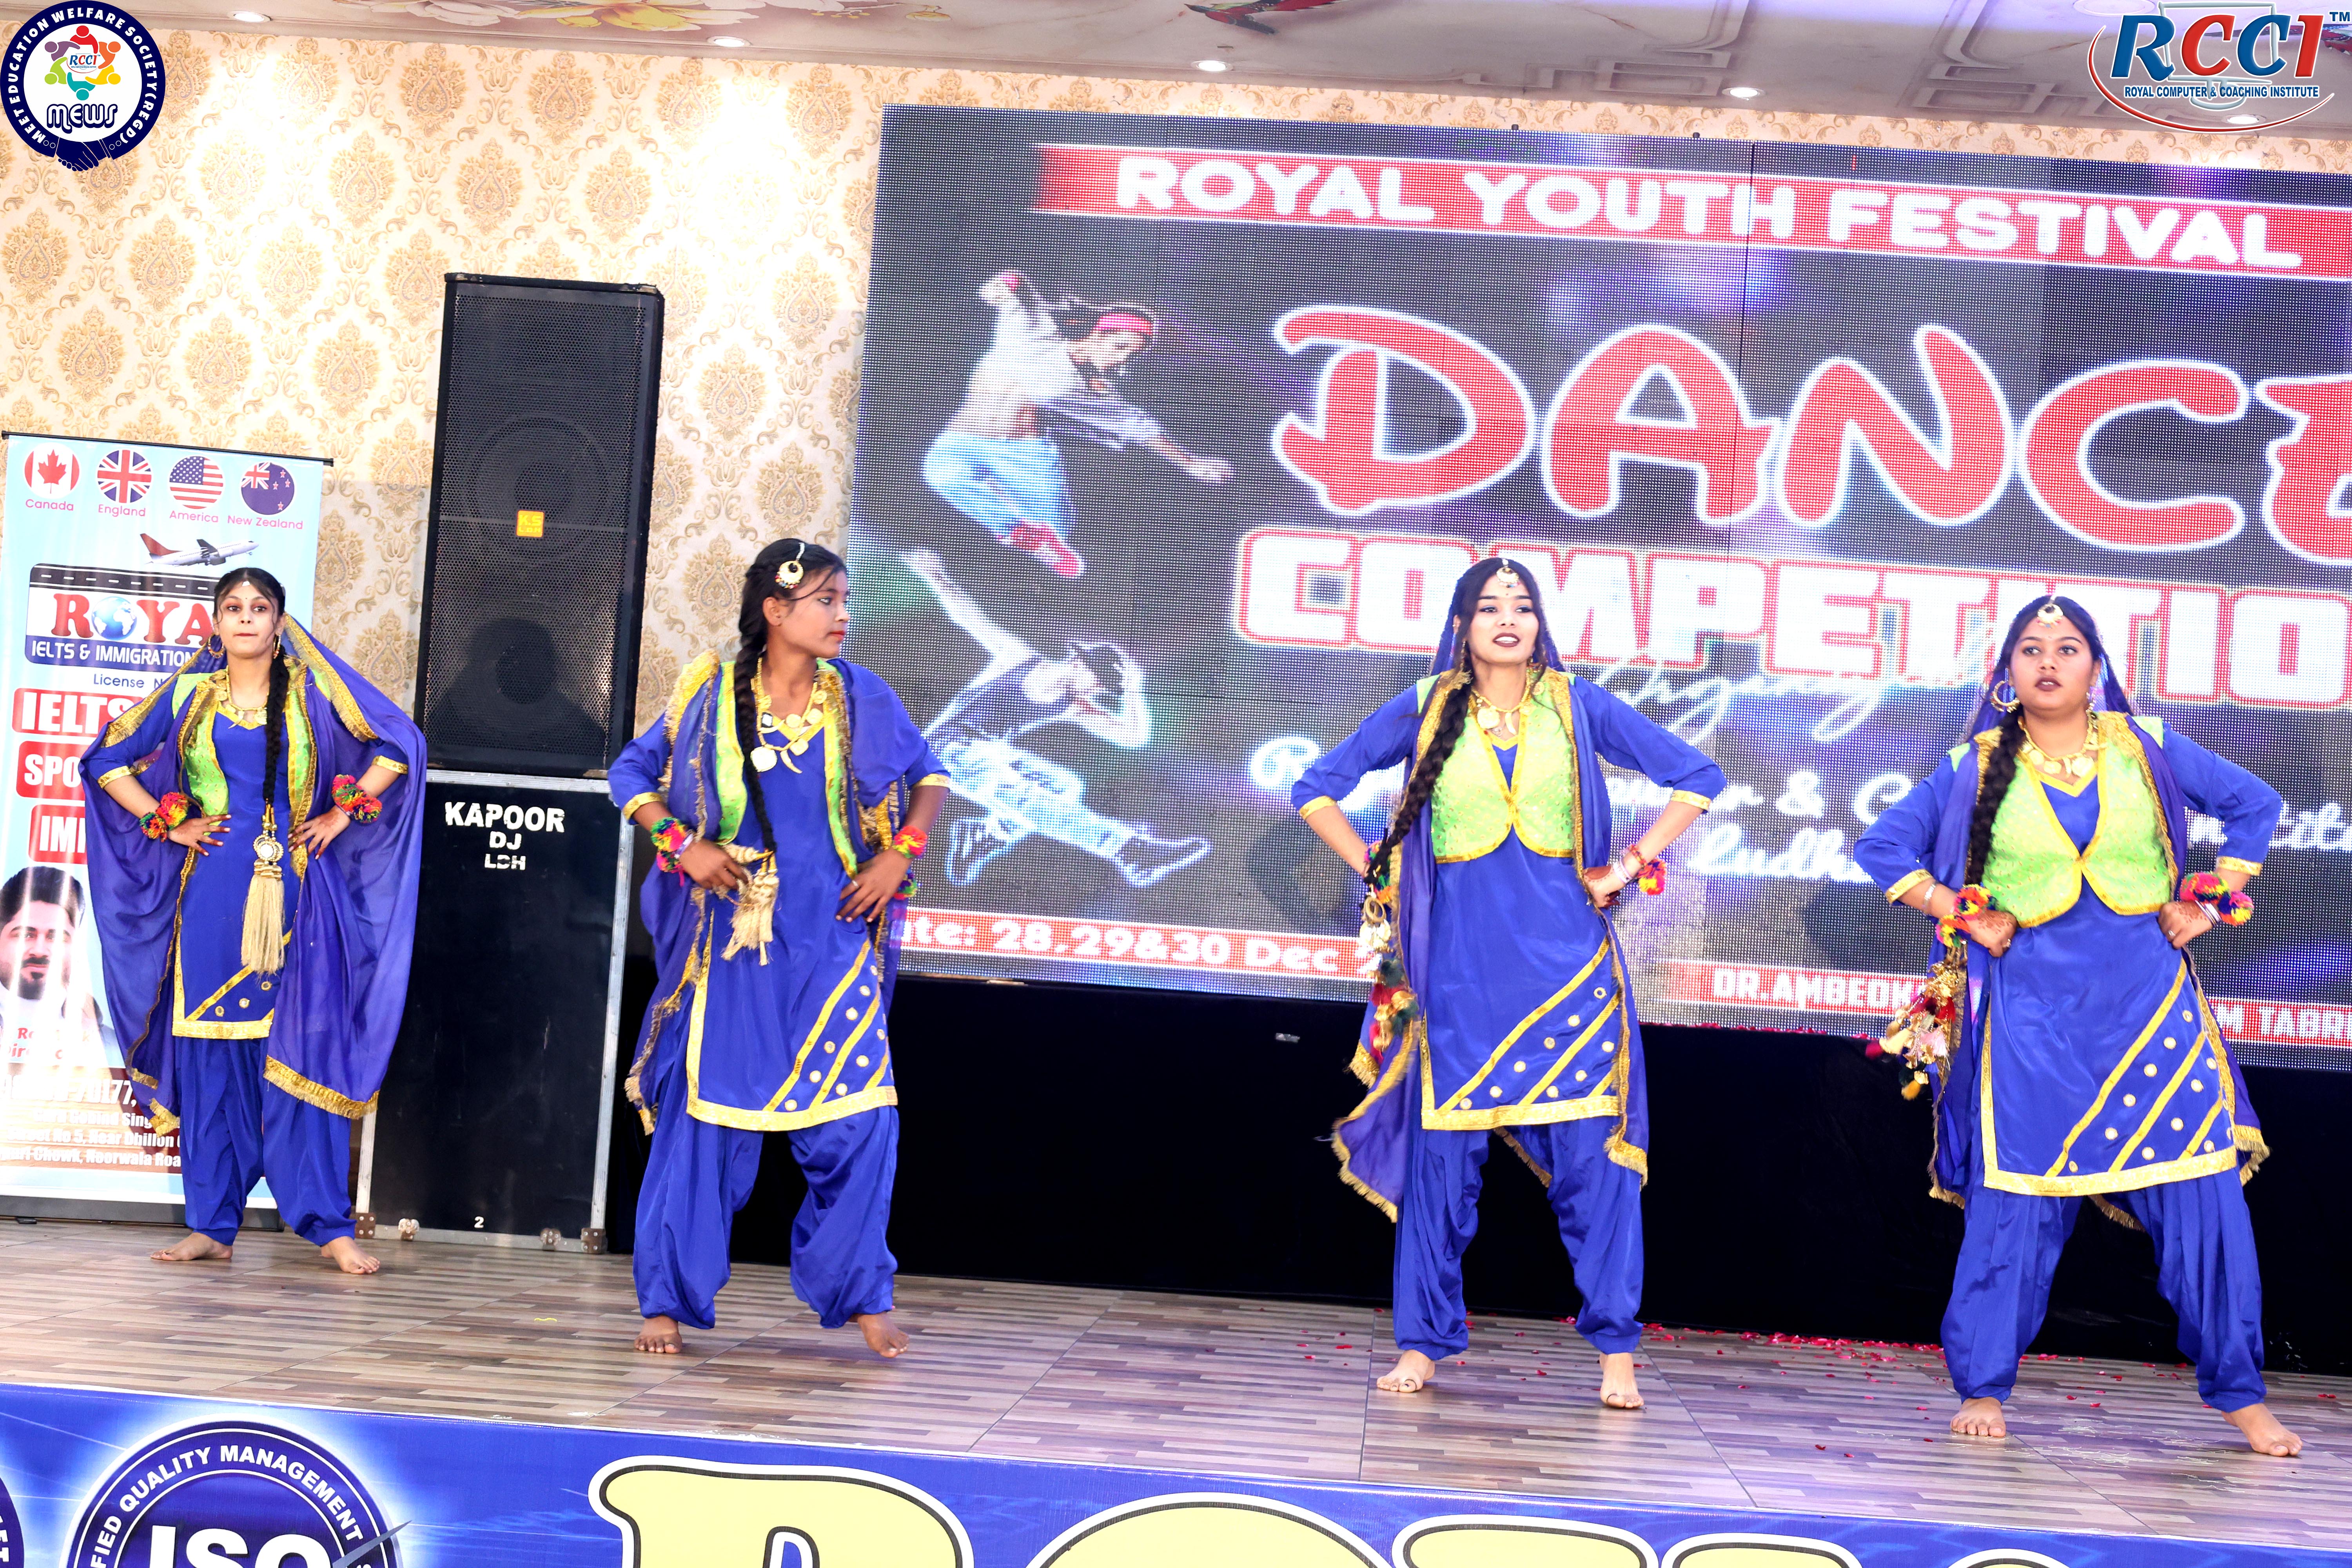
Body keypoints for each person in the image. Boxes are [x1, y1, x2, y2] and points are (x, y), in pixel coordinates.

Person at [1854, 595, 2297, 1457]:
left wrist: (2211, 899)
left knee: (2202, 1194)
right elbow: (1882, 847)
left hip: (2152, 1010)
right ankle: (1983, 1383)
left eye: (2067, 647)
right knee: (2018, 1201)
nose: (2048, 661)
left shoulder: (2147, 745)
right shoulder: (1973, 766)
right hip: (2033, 1019)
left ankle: (2241, 1394)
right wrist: (1957, 909)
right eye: (2031, 648)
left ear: (2097, 667)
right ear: (2006, 673)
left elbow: (2256, 804)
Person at [1292, 558, 1723, 1407]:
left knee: (1597, 1166)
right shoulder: (1425, 707)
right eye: (1489, 605)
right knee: (1441, 1167)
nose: (1507, 618)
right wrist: (1377, 868)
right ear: (1462, 624)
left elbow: (1697, 777)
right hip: (1459, 977)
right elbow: (1316, 788)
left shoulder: (1576, 704)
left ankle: (1617, 1351)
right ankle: (1421, 1344)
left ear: (1539, 624)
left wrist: (1627, 865)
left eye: (1522, 606)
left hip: (1573, 974)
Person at [612, 539, 948, 1357]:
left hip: (832, 946)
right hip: (732, 951)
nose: (843, 615)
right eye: (826, 601)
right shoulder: (707, 694)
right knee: (703, 1126)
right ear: (775, 610)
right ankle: (668, 1299)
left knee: (862, 1123)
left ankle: (862, 1292)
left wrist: (899, 854)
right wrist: (682, 844)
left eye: (844, 600)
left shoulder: (860, 696)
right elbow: (631, 775)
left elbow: (931, 776)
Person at [81, 568, 424, 1274]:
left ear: (278, 622)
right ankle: (212, 1224)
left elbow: (400, 744)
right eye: (232, 608)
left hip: (298, 894)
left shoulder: (312, 692)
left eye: (258, 607)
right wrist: (165, 823)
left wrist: (342, 814)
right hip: (211, 896)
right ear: (215, 623)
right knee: (211, 1058)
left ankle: (328, 1225)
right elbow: (107, 759)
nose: (245, 618)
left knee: (300, 1054)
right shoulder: (189, 694)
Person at [900, 548, 1210, 888]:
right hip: (947, 749)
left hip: (990, 751)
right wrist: (935, 574)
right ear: (1079, 663)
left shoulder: (1073, 704)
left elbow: (1133, 738)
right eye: (1097, 680)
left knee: (1063, 786)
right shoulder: (1019, 659)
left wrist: (1133, 691)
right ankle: (1128, 850)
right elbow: (969, 617)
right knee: (1023, 797)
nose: (1095, 690)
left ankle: (987, 834)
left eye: (1103, 687)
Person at [920, 270, 1231, 579]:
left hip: (1023, 452)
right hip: (962, 439)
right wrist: (1000, 286)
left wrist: (1191, 463)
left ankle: (1039, 538)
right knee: (943, 474)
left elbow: (1138, 425)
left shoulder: (1091, 387)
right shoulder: (1036, 332)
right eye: (1119, 347)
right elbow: (1019, 290)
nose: (1120, 360)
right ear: (1098, 334)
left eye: (1130, 356)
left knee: (1058, 524)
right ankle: (1016, 531)